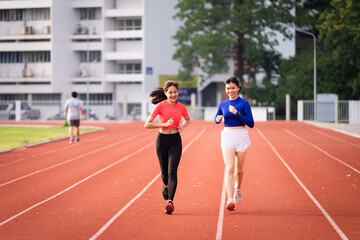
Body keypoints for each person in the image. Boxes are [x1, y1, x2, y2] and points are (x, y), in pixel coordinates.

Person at [144, 80, 190, 214]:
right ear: (166, 93)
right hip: (162, 140)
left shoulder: (181, 107)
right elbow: (147, 124)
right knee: (164, 173)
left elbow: (187, 119)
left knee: (172, 171)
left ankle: (170, 201)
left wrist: (183, 125)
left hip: (175, 140)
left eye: (175, 92)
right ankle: (165, 185)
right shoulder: (160, 106)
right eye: (170, 92)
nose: (173, 94)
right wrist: (163, 124)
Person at [214, 76, 254, 211]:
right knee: (229, 168)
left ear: (238, 88)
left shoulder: (244, 104)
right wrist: (218, 118)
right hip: (227, 136)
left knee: (239, 170)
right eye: (228, 88)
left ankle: (238, 188)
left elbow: (251, 123)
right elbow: (217, 117)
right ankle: (230, 199)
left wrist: (237, 113)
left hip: (241, 135)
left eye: (232, 88)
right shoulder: (223, 104)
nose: (230, 91)